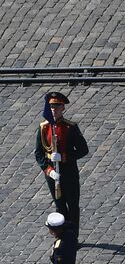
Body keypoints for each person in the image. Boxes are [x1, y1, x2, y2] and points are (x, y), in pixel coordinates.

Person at [35, 92, 90, 238]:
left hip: (68, 172)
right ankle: (61, 234)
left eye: (57, 106)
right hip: (52, 173)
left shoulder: (70, 127)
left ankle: (72, 237)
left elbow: (83, 150)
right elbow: (39, 154)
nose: (53, 109)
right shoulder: (43, 128)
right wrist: (48, 170)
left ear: (62, 108)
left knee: (72, 205)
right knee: (59, 205)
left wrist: (64, 157)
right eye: (51, 106)